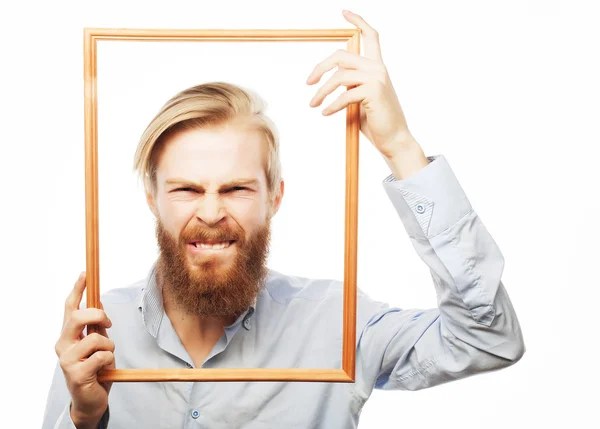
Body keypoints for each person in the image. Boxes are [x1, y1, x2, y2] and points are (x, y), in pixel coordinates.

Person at [42, 10, 525, 429]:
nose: (211, 214)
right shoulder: (100, 336)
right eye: (187, 189)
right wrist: (84, 420)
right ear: (152, 197)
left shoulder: (337, 323)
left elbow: (488, 338)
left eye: (236, 189)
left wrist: (399, 145)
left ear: (275, 197)